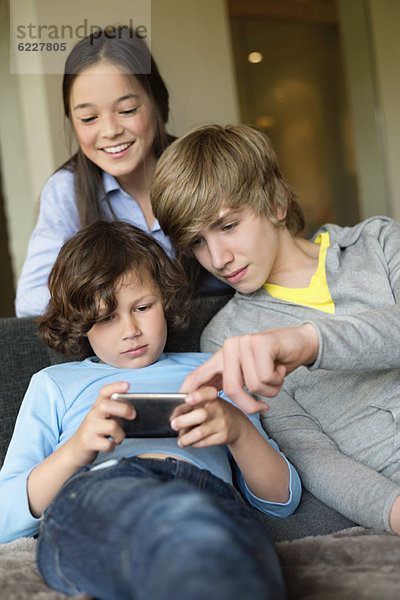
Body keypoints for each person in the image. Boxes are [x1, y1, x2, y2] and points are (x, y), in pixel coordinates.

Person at [0, 220, 301, 600]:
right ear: (81, 322)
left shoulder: (211, 369)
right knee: (187, 540)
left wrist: (237, 428)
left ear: (165, 298)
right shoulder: (55, 383)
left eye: (143, 307)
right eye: (107, 317)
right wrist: (76, 450)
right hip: (100, 492)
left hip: (207, 496)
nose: (131, 330)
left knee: (216, 548)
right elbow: (4, 518)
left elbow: (282, 499)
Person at [151, 123, 400, 535]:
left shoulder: (377, 242)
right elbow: (307, 451)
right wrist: (390, 510)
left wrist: (305, 341)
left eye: (228, 226)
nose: (218, 258)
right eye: (197, 242)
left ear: (277, 202)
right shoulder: (227, 339)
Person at [15, 25, 174, 318]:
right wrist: (123, 299)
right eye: (89, 118)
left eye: (127, 110)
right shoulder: (66, 190)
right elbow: (29, 300)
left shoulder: (196, 168)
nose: (110, 131)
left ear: (157, 102)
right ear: (71, 121)